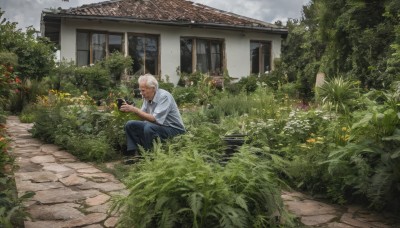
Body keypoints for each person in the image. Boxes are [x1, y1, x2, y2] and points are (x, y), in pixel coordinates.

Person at [119, 74, 185, 162]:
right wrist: (130, 109)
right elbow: (143, 117)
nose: (141, 93)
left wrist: (135, 109)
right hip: (159, 127)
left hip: (174, 129)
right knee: (130, 125)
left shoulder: (164, 96)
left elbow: (154, 119)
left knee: (149, 127)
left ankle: (150, 157)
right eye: (140, 91)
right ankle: (136, 155)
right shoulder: (147, 97)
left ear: (152, 88)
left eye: (143, 90)